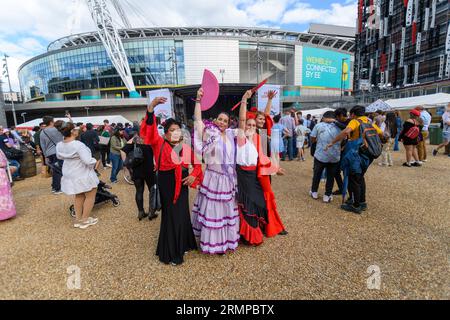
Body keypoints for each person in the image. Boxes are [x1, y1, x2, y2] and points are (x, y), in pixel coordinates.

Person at [140, 97, 203, 266]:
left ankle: (184, 243)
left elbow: (197, 165)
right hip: (167, 184)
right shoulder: (158, 142)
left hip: (182, 184)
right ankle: (171, 252)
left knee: (182, 213)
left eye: (178, 129)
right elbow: (149, 130)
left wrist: (193, 176)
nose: (176, 132)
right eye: (172, 130)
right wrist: (151, 107)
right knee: (171, 216)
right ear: (166, 132)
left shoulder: (184, 146)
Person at [191, 88, 240, 255]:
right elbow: (198, 120)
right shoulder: (210, 134)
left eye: (225, 121)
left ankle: (224, 243)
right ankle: (212, 244)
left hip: (227, 179)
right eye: (220, 119)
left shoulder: (231, 135)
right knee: (213, 211)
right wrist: (198, 100)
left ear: (228, 123)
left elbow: (245, 121)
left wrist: (245, 101)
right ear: (215, 120)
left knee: (225, 213)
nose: (222, 122)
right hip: (213, 178)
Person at [326, 105, 383, 214]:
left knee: (354, 178)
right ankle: (362, 202)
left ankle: (356, 205)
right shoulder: (369, 121)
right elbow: (380, 133)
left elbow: (345, 132)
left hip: (356, 153)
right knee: (360, 177)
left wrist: (332, 142)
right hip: (368, 154)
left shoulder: (355, 121)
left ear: (353, 114)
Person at [56, 122, 99, 229]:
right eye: (75, 129)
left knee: (79, 195)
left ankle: (78, 219)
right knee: (90, 195)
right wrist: (95, 161)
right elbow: (88, 161)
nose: (77, 131)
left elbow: (59, 157)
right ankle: (84, 219)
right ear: (72, 131)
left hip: (70, 172)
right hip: (82, 172)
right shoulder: (78, 145)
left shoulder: (59, 144)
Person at [309, 111, 341, 203]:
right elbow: (344, 138)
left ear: (324, 117)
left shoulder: (318, 126)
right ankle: (327, 195)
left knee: (317, 174)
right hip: (334, 156)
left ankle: (314, 192)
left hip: (320, 154)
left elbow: (313, 138)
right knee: (330, 176)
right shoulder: (339, 126)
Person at [122, 135, 156, 221]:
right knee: (152, 190)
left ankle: (141, 212)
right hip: (149, 169)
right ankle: (151, 212)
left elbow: (123, 150)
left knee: (139, 191)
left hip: (137, 169)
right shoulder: (152, 138)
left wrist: (126, 164)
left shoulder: (135, 139)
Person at [40, 116, 64, 194]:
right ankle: (57, 188)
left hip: (48, 153)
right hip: (57, 152)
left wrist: (45, 156)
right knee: (58, 170)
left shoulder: (42, 132)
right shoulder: (56, 130)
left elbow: (42, 145)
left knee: (55, 170)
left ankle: (54, 186)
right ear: (51, 122)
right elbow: (61, 140)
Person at [0, 149, 16, 221]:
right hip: (1, 173)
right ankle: (7, 213)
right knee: (4, 193)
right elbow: (4, 161)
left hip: (2, 173)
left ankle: (5, 214)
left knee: (4, 193)